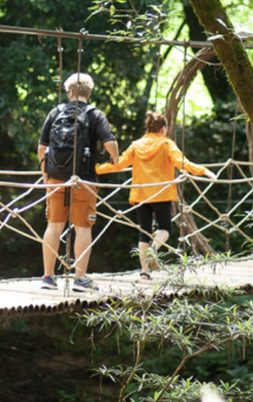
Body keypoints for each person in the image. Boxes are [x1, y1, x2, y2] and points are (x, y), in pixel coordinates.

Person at [96, 110, 216, 279]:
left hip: (140, 195)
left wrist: (96, 169)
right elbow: (183, 164)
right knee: (165, 228)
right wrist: (204, 171)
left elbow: (118, 164)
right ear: (163, 129)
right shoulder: (167, 144)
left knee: (144, 231)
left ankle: (145, 272)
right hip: (160, 193)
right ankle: (154, 250)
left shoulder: (136, 145)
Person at [38, 72, 119, 292]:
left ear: (70, 92)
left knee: (53, 226)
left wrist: (47, 176)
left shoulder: (55, 112)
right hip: (84, 179)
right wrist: (115, 158)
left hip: (56, 180)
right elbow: (109, 142)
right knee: (83, 227)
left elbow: (42, 148)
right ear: (89, 93)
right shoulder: (95, 114)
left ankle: (48, 277)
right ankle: (80, 279)